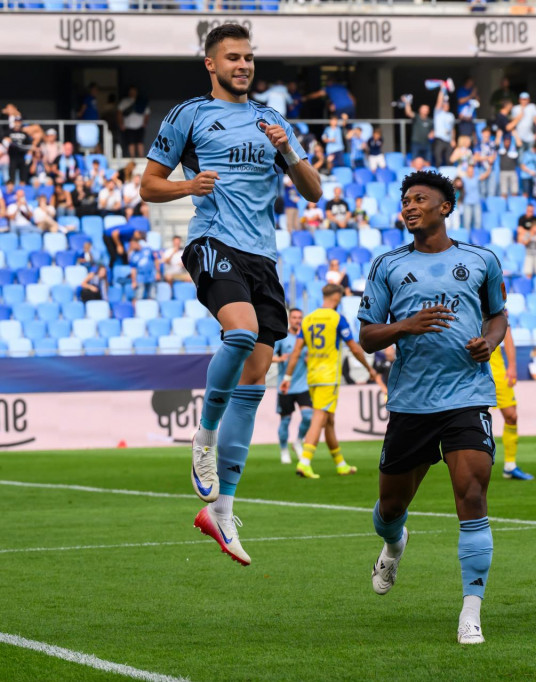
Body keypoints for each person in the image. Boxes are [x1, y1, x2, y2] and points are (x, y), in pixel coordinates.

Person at [140, 23, 322, 567]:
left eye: (248, 57)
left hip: (262, 258)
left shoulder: (273, 120)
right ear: (211, 64)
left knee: (256, 378)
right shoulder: (188, 115)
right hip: (213, 241)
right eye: (233, 57)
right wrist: (186, 186)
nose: (243, 65)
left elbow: (314, 191)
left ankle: (221, 509)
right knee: (240, 332)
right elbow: (148, 185)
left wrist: (289, 150)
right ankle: (204, 437)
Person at [357, 170, 507, 645]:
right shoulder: (387, 265)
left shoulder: (482, 260)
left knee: (473, 497)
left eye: (420, 198)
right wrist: (406, 325)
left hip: (468, 396)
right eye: (405, 200)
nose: (409, 205)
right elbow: (366, 335)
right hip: (411, 402)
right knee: (390, 508)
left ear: (445, 207)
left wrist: (490, 341)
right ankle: (394, 541)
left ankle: (470, 611)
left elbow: (498, 315)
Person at [280, 284, 380, 478]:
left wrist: (287, 377)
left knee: (329, 421)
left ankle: (340, 463)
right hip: (328, 377)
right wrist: (369, 369)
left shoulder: (308, 320)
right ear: (337, 297)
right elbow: (355, 348)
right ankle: (305, 461)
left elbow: (296, 352)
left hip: (312, 377)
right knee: (319, 417)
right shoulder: (337, 319)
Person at [490, 326, 533, 481]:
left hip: (497, 369)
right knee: (472, 416)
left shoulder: (493, 302)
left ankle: (510, 465)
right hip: (472, 370)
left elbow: (506, 333)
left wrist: (512, 367)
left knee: (511, 416)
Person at [272, 308, 312, 465]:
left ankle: (298, 441)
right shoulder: (283, 338)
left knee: (308, 416)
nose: (297, 320)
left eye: (300, 317)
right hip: (285, 387)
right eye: (294, 317)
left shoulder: (307, 338)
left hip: (303, 385)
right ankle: (283, 450)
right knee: (285, 421)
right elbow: (269, 356)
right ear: (290, 319)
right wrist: (280, 358)